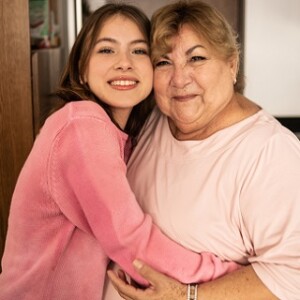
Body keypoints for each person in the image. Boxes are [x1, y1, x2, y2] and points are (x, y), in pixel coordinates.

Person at [0, 3, 241, 300]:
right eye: (106, 50)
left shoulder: (127, 133)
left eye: (139, 51)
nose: (124, 63)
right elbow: (130, 241)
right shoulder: (82, 126)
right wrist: (229, 275)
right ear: (81, 69)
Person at [107, 1, 300, 299]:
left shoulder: (271, 154)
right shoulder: (152, 119)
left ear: (232, 64)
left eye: (196, 58)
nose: (180, 79)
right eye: (163, 62)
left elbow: (293, 276)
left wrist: (187, 295)